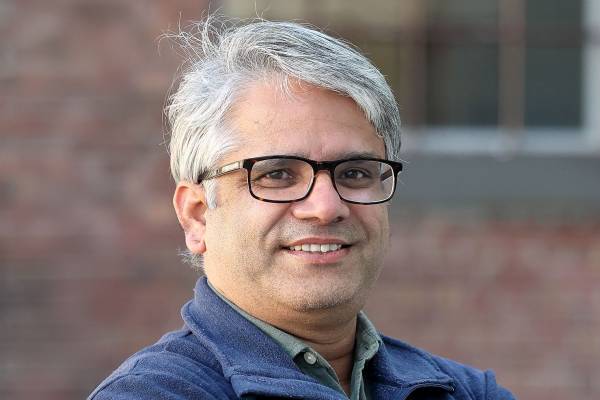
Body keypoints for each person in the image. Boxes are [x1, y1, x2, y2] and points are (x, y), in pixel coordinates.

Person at [89, 16, 515, 400]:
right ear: (198, 215)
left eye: (354, 173)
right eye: (277, 174)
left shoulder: (466, 392)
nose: (326, 207)